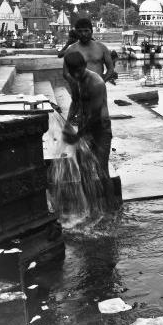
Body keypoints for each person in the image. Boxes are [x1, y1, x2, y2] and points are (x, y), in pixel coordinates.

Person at [62, 51, 115, 208]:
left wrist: (77, 135)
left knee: (102, 170)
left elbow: (95, 115)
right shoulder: (75, 81)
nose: (77, 74)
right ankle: (90, 208)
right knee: (83, 170)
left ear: (84, 66)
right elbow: (76, 102)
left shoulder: (96, 83)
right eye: (73, 72)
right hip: (86, 128)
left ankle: (112, 209)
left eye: (79, 70)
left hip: (101, 129)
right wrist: (67, 124)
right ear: (69, 71)